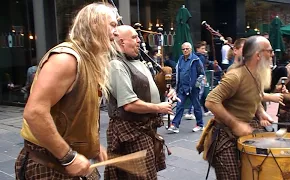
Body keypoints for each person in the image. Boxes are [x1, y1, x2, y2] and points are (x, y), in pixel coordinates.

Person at [15, 3, 119, 179]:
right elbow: (34, 112)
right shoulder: (66, 59)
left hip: (69, 162)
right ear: (94, 24)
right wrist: (68, 157)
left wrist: (91, 147)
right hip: (49, 166)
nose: (116, 32)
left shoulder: (88, 60)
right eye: (112, 24)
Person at [104, 25, 178, 180]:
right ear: (122, 42)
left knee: (146, 174)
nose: (139, 41)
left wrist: (165, 92)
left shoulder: (137, 61)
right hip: (130, 130)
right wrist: (159, 107)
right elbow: (129, 104)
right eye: (134, 37)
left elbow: (147, 89)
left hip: (144, 127)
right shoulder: (116, 65)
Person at [197, 36, 274, 179]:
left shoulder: (258, 74)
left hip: (247, 131)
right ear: (258, 55)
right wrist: (235, 123)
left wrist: (261, 112)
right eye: (269, 51)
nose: (272, 54)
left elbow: (253, 97)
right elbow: (211, 101)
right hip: (225, 136)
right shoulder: (236, 76)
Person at [168, 42, 205, 133]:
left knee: (196, 107)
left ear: (191, 49)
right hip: (182, 87)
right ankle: (175, 125)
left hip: (193, 89)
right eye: (183, 49)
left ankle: (200, 125)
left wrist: (196, 85)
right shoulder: (180, 59)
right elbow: (178, 73)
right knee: (179, 106)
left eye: (187, 49)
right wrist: (176, 86)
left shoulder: (196, 60)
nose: (185, 50)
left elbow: (202, 74)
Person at [185, 41, 212, 119]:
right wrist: (203, 77)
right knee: (198, 95)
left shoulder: (194, 56)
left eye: (204, 48)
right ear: (197, 49)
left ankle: (206, 110)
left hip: (197, 78)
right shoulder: (201, 57)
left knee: (202, 94)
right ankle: (190, 111)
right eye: (202, 48)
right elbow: (202, 67)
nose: (204, 50)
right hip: (200, 78)